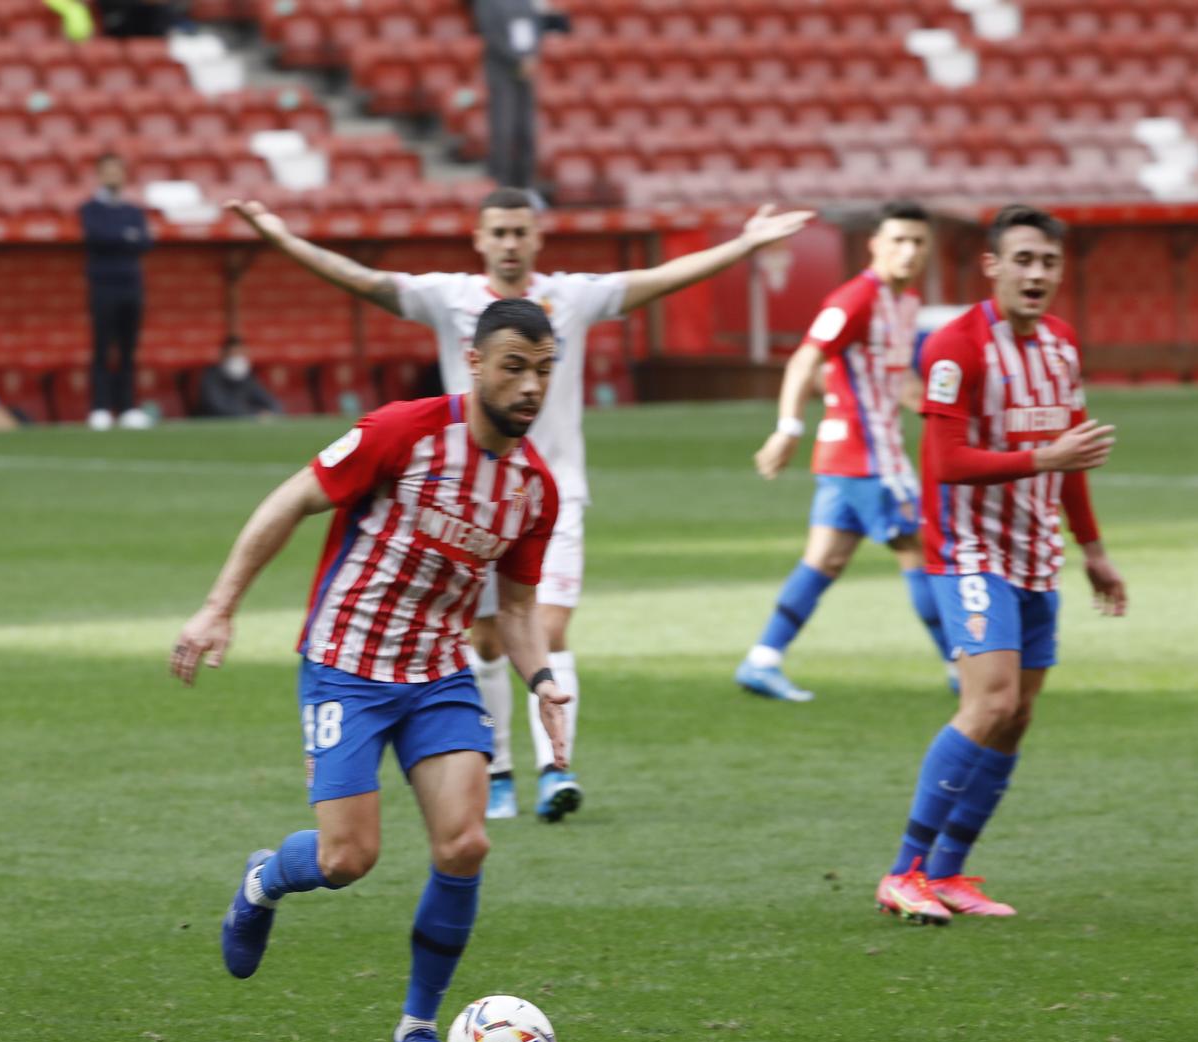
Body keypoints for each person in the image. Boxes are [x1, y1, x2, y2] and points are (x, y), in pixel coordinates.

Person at [228, 188, 811, 821]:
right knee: (483, 641)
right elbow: (366, 282)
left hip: (550, 495)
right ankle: (498, 768)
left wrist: (745, 244)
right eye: (498, 231)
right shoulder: (451, 298)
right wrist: (282, 240)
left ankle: (557, 769)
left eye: (520, 231)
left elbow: (659, 278)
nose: (510, 242)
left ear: (537, 238)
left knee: (546, 625)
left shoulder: (570, 298)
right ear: (479, 239)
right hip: (463, 498)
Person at [171, 299, 569, 1042]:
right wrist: (220, 607)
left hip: (438, 674)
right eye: (516, 366)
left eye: (544, 370)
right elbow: (292, 498)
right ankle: (262, 879)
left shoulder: (533, 489)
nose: (530, 386)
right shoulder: (405, 431)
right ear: (476, 362)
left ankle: (417, 1025)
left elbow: (517, 609)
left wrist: (544, 679)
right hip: (345, 667)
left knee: (466, 841)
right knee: (347, 858)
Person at [874, 204, 1126, 925]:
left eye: (1048, 262)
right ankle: (902, 871)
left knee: (1017, 716)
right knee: (987, 701)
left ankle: (948, 872)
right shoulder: (956, 347)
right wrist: (1044, 457)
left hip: (1037, 552)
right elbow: (945, 460)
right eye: (1023, 260)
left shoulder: (1062, 346)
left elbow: (1070, 455)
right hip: (967, 551)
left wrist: (1095, 551)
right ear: (993, 266)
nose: (1037, 274)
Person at [739, 201, 951, 701]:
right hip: (867, 457)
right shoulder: (855, 299)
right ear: (875, 245)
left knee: (825, 561)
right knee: (919, 547)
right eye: (898, 240)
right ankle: (961, 665)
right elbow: (805, 359)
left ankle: (762, 659)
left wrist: (934, 408)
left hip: (854, 458)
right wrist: (787, 427)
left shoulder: (905, 303)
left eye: (918, 242)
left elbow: (892, 379)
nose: (909, 251)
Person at [80, 153, 153, 431]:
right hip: (103, 286)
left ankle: (127, 407)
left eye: (117, 171)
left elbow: (145, 242)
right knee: (102, 348)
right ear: (99, 175)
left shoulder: (133, 211)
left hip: (131, 285)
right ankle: (99, 407)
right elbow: (98, 237)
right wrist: (125, 237)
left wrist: (122, 237)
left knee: (128, 349)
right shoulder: (90, 209)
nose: (113, 177)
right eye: (107, 171)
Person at [474, 0, 541, 190]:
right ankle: (499, 183)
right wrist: (517, 59)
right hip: (502, 70)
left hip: (526, 70)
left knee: (526, 130)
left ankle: (526, 185)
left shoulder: (526, 3)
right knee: (503, 129)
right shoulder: (488, 4)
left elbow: (536, 27)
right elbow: (492, 35)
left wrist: (532, 56)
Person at [195, 336, 281, 419]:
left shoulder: (248, 378)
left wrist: (269, 413)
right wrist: (253, 414)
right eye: (233, 354)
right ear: (223, 355)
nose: (237, 358)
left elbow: (272, 404)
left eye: (240, 354)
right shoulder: (211, 376)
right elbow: (217, 407)